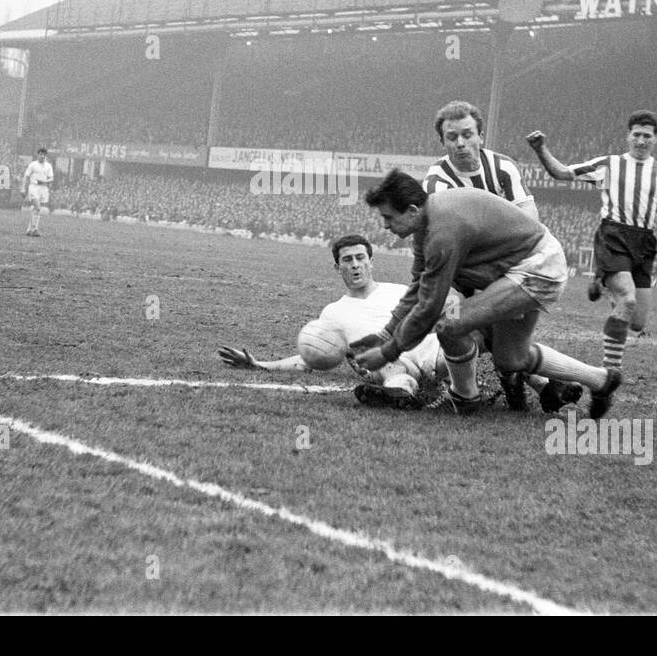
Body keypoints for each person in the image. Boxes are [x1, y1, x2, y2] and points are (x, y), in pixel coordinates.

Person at [352, 171, 622, 418]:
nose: (386, 226)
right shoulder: (427, 225)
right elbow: (418, 287)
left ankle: (464, 397)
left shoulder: (442, 232)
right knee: (511, 359)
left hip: (537, 268)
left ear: (411, 210)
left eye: (388, 217)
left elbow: (428, 306)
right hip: (524, 267)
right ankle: (601, 380)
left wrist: (387, 353)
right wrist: (386, 334)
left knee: (450, 325)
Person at [422, 100, 579, 412]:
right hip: (468, 272)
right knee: (466, 328)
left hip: (513, 265)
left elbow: (529, 220)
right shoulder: (437, 181)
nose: (461, 143)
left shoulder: (503, 167)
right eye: (452, 137)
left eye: (467, 134)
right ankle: (532, 382)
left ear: (481, 134)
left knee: (498, 332)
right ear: (442, 142)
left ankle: (519, 381)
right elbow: (450, 243)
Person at [525, 110, 657, 373]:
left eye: (647, 136)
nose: (641, 141)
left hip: (644, 243)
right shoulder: (609, 165)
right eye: (636, 135)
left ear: (655, 140)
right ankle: (610, 373)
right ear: (628, 136)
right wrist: (541, 149)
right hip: (613, 235)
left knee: (637, 323)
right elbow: (563, 173)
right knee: (627, 300)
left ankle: (602, 283)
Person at [218, 234, 446, 409]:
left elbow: (435, 315)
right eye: (347, 260)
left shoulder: (400, 291)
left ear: (371, 262)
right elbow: (311, 357)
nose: (355, 265)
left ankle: (460, 390)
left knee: (453, 343)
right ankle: (403, 395)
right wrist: (261, 365)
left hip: (424, 345)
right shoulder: (333, 313)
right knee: (391, 369)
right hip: (384, 360)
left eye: (360, 258)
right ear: (338, 267)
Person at [21, 148, 55, 236]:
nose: (42, 156)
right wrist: (23, 188)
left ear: (46, 156)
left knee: (36, 209)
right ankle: (35, 229)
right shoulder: (33, 165)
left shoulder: (48, 166)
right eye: (40, 154)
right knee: (38, 207)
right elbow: (26, 176)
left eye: (44, 154)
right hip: (33, 187)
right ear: (38, 155)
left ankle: (29, 230)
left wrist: (45, 182)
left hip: (43, 189)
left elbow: (51, 178)